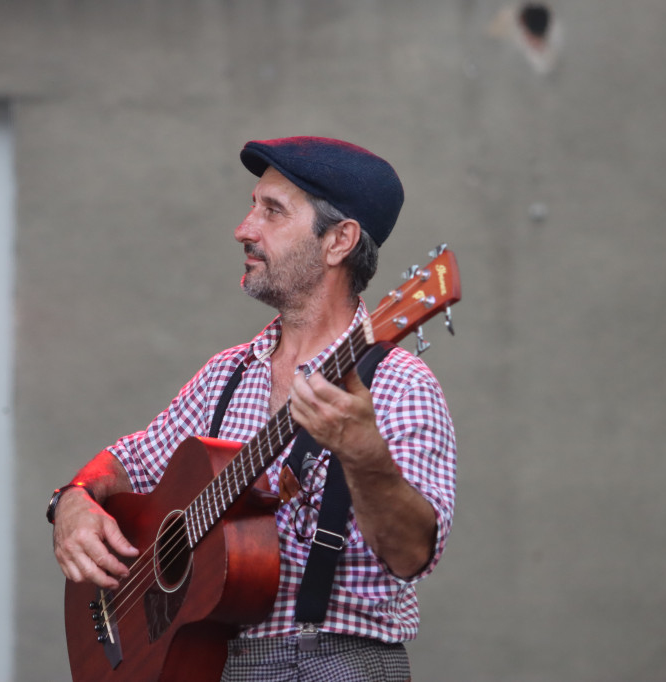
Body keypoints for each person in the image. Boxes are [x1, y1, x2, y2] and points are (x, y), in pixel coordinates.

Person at [50, 136, 457, 682]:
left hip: (335, 664)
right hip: (212, 663)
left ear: (339, 241)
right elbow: (127, 463)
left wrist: (365, 456)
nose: (244, 228)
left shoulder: (401, 386)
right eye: (252, 206)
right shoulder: (227, 373)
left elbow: (411, 554)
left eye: (272, 211)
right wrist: (74, 499)